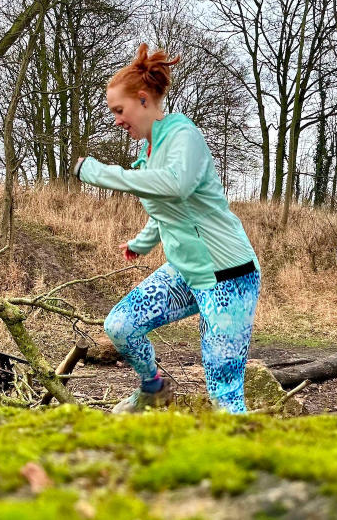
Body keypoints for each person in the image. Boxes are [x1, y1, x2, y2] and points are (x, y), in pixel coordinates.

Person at [72, 44, 261, 414]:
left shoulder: (182, 134)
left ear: (142, 100)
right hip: (186, 272)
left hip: (228, 277)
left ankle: (239, 460)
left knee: (223, 389)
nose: (116, 120)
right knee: (121, 325)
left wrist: (100, 173)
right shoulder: (149, 150)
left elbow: (177, 185)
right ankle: (154, 388)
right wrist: (142, 243)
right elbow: (166, 210)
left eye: (119, 110)